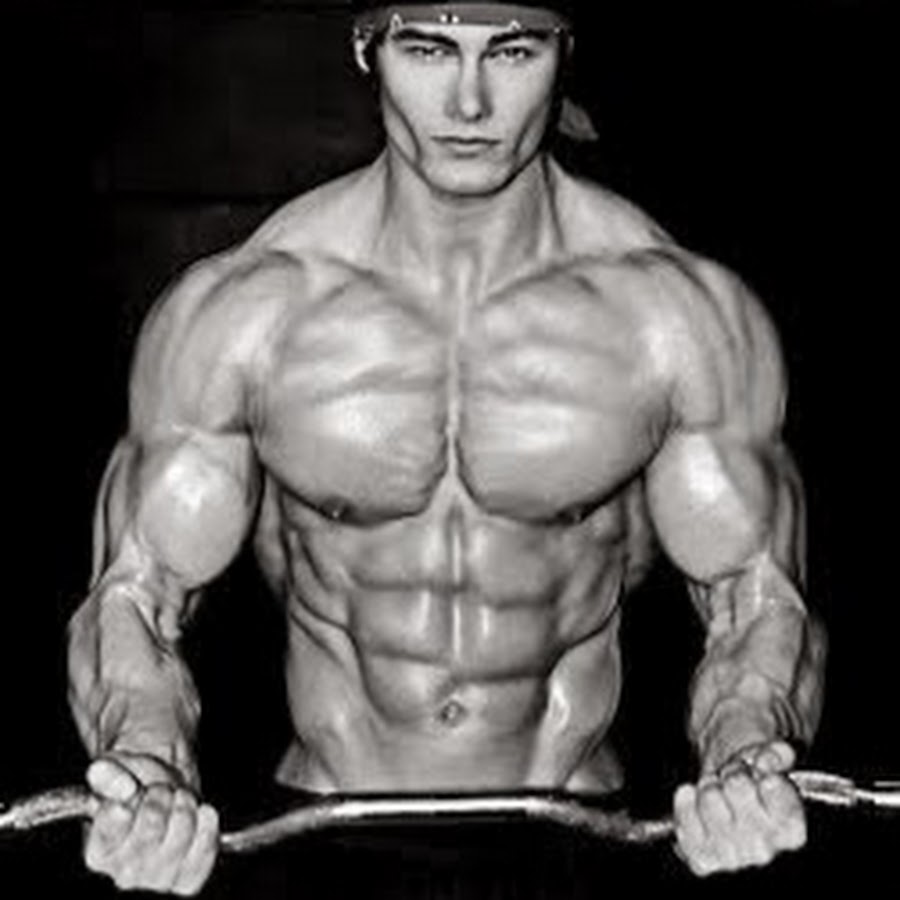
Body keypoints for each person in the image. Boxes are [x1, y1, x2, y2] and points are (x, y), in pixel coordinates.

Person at [66, 0, 827, 893]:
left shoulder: (677, 318)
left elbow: (754, 600)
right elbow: (137, 595)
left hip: (578, 833)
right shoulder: (244, 314)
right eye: (428, 50)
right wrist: (146, 766)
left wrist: (746, 753)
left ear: (564, 54)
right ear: (369, 51)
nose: (469, 103)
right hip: (320, 831)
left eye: (512, 52)